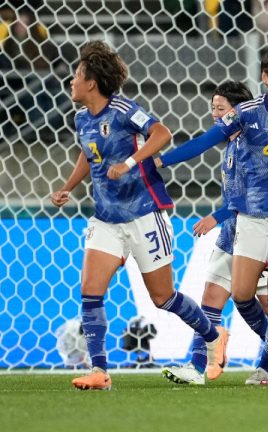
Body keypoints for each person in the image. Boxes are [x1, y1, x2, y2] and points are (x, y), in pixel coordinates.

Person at [50, 41, 227, 390]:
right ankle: (99, 371)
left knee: (163, 297)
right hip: (106, 218)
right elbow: (88, 154)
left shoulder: (123, 109)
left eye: (76, 75)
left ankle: (213, 336)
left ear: (91, 82)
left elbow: (162, 133)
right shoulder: (81, 118)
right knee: (90, 290)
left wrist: (130, 163)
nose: (71, 81)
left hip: (145, 213)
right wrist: (68, 186)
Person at [155, 46, 268, 386]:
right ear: (264, 78)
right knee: (243, 294)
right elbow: (207, 140)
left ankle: (265, 367)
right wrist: (162, 161)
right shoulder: (245, 113)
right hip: (249, 218)